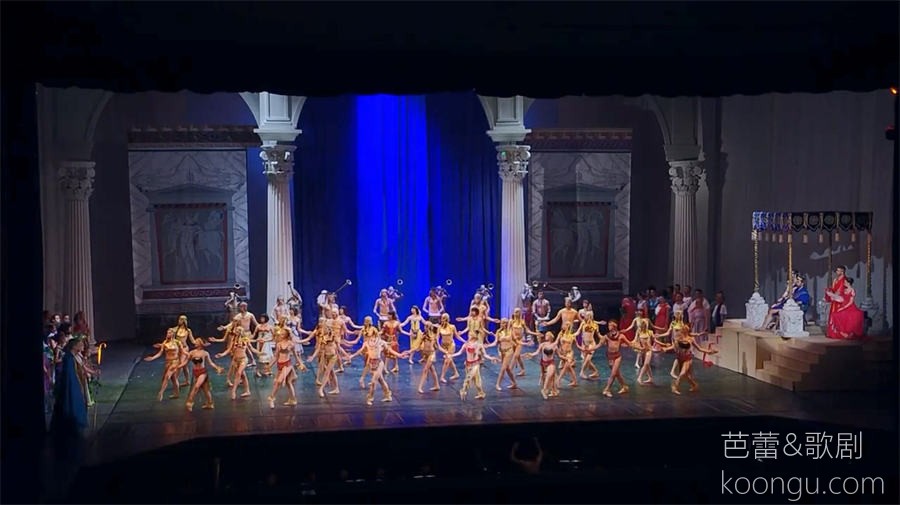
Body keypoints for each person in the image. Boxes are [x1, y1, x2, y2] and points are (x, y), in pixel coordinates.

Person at [50, 336, 90, 435]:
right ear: (75, 346)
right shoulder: (68, 358)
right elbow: (69, 375)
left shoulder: (71, 357)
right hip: (71, 386)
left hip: (75, 384)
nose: (82, 346)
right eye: (80, 345)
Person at [184, 338, 224, 411]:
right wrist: (177, 366)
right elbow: (185, 362)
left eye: (196, 341)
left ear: (200, 343)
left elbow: (210, 363)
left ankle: (190, 402)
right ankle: (210, 404)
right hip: (195, 372)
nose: (195, 342)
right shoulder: (192, 352)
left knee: (196, 386)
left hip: (203, 372)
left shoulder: (205, 353)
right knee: (206, 390)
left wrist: (217, 368)